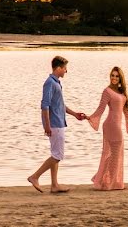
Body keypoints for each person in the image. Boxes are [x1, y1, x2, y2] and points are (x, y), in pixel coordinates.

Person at [27, 55, 84, 193]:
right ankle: (35, 177)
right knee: (58, 155)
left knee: (55, 154)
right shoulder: (50, 83)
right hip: (54, 124)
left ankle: (54, 185)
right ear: (58, 68)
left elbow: (60, 105)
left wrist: (75, 114)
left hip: (59, 121)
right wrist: (46, 126)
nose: (66, 71)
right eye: (65, 68)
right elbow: (45, 106)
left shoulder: (56, 82)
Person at [84, 66, 128, 190]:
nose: (114, 78)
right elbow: (101, 108)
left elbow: (126, 112)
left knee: (114, 155)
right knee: (112, 154)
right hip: (110, 125)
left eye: (116, 76)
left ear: (120, 78)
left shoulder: (121, 93)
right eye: (112, 76)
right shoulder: (107, 91)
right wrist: (90, 117)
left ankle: (106, 180)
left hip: (117, 126)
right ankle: (106, 182)